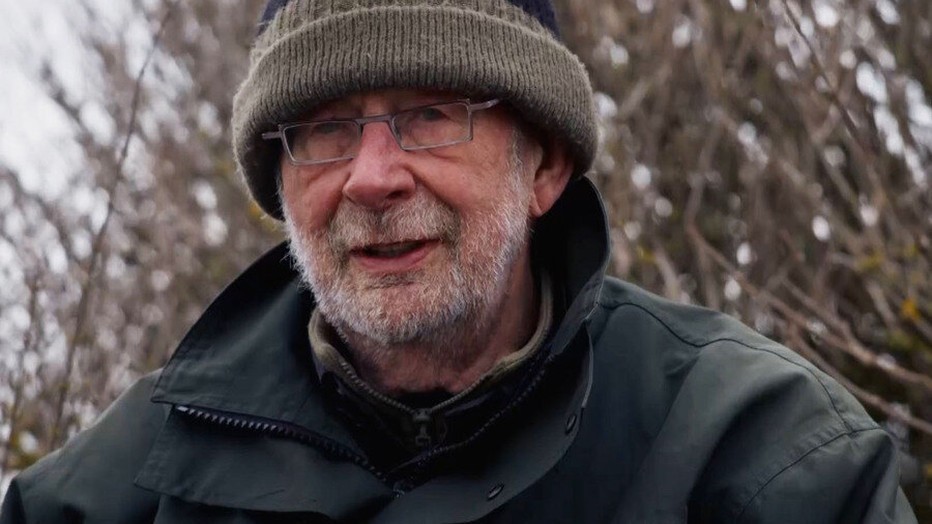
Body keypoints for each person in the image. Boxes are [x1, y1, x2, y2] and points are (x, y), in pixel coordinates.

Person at [0, 0, 919, 522]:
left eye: (431, 114)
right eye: (322, 129)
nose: (371, 177)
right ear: (278, 185)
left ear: (546, 165)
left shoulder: (763, 458)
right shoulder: (129, 483)